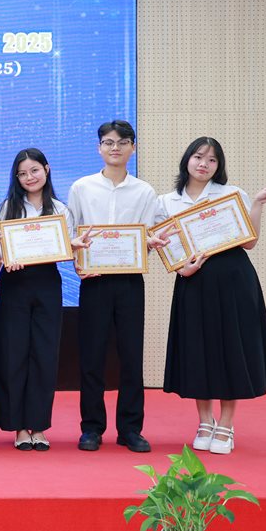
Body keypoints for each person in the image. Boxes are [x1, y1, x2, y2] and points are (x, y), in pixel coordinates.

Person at [160, 137, 266, 455]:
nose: (204, 164)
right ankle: (205, 421)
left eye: (212, 160)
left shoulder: (232, 194)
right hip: (193, 282)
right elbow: (167, 248)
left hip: (233, 279)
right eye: (198, 157)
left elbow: (249, 242)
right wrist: (182, 269)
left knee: (231, 348)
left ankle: (226, 424)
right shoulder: (166, 202)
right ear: (187, 160)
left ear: (219, 166)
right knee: (198, 349)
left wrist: (257, 204)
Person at [68, 120, 168, 454]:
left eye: (123, 142)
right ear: (99, 147)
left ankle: (130, 429)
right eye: (109, 142)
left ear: (132, 148)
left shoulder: (145, 191)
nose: (115, 148)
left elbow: (151, 234)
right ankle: (91, 428)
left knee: (131, 356)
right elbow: (71, 232)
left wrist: (150, 242)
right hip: (94, 281)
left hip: (129, 281)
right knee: (91, 356)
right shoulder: (81, 188)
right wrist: (77, 261)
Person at [0, 148, 92, 452]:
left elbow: (66, 249)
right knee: (14, 354)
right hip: (14, 285)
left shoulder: (60, 209)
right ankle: (19, 427)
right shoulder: (9, 206)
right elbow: (0, 255)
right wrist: (0, 245)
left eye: (34, 170)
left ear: (46, 170)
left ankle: (38, 425)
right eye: (22, 173)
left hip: (47, 284)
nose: (29, 177)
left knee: (44, 355)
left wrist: (73, 246)